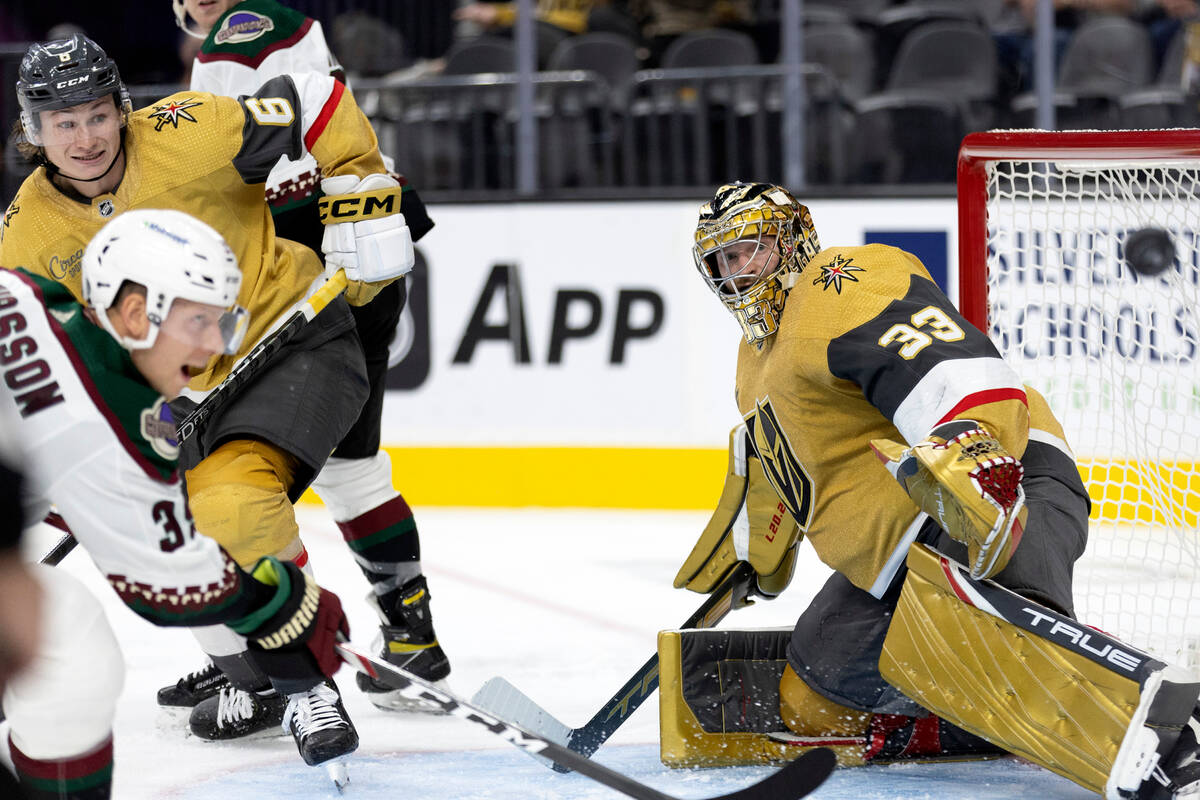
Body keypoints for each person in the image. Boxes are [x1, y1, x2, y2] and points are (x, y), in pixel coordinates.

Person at [666, 182, 1200, 798]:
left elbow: (950, 366)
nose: (736, 274)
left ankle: (1172, 737)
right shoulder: (754, 355)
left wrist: (977, 457)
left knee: (995, 648)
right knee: (814, 700)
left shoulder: (840, 282)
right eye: (722, 262)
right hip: (903, 550)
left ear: (791, 240)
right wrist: (752, 547)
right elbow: (788, 464)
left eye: (748, 252)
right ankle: (983, 725)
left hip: (1001, 487)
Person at [0, 32, 411, 762]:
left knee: (229, 504)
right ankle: (248, 678)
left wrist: (360, 187)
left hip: (296, 343)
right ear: (34, 132)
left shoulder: (192, 130)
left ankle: (306, 684)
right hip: (186, 397)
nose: (86, 137)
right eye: (63, 123)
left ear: (122, 109)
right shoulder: (25, 232)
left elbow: (314, 97)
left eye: (97, 114)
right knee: (153, 526)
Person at [0, 208, 353, 796]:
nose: (216, 347)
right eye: (198, 322)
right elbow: (167, 584)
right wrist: (282, 606)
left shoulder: (27, 294)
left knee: (59, 628)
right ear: (136, 313)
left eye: (222, 323)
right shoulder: (106, 422)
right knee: (69, 651)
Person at [169, 0, 451, 723]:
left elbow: (272, 141)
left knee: (240, 476)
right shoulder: (260, 25)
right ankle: (407, 639)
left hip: (322, 257)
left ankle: (265, 663)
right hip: (338, 248)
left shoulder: (243, 30)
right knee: (349, 469)